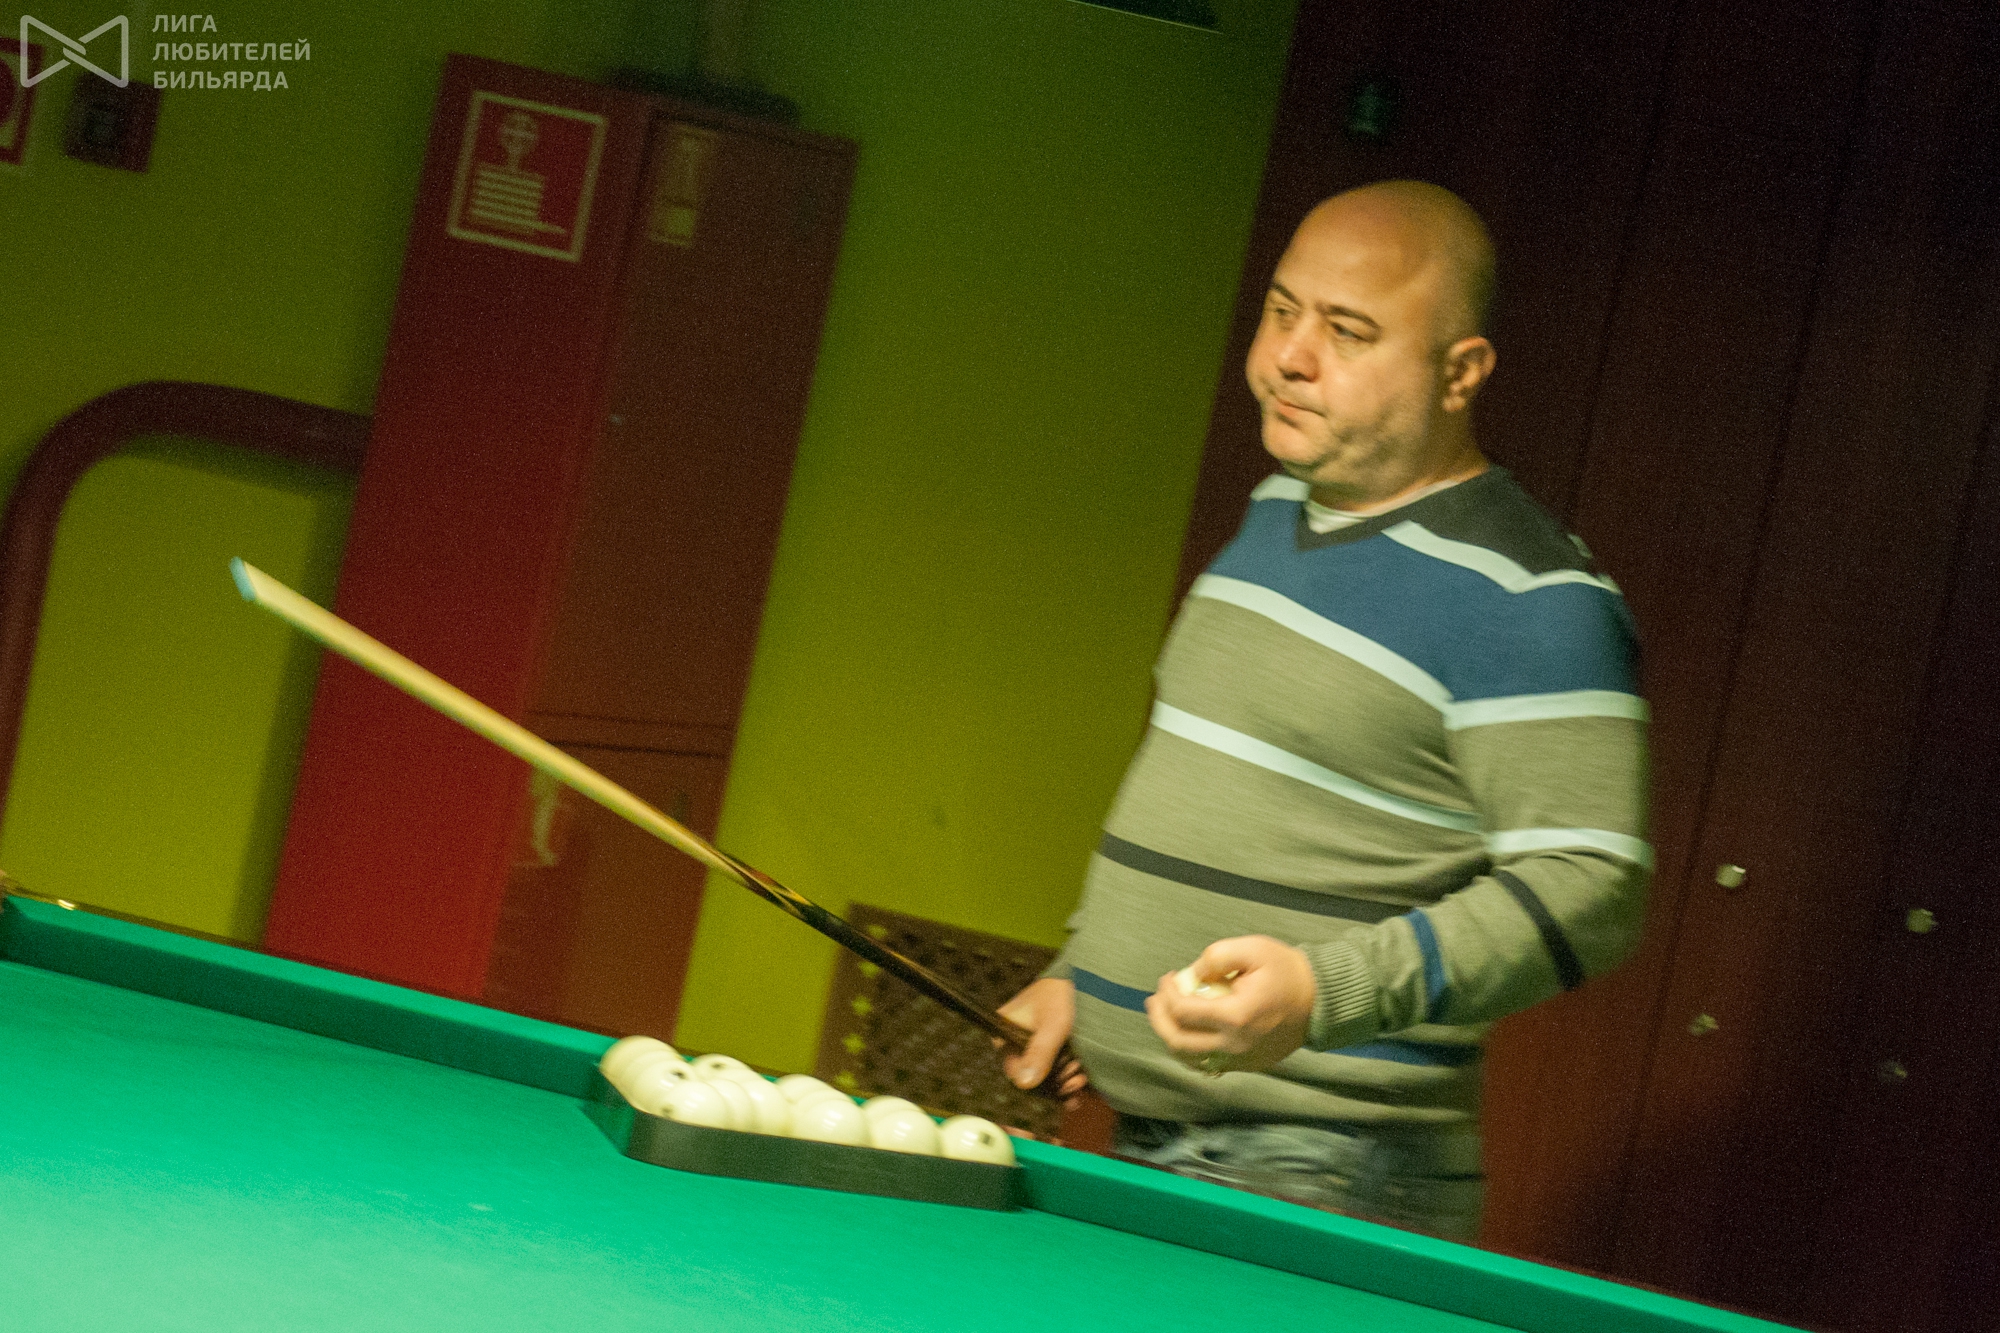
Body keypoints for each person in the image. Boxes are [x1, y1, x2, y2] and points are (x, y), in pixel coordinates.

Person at [997, 180, 1650, 1241]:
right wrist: (1086, 978)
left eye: (1346, 331)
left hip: (1326, 1164)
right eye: (1280, 310)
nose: (1289, 357)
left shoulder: (1530, 595)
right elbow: (1222, 792)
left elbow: (1592, 888)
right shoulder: (1275, 510)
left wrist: (1320, 990)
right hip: (1164, 1134)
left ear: (1460, 373)